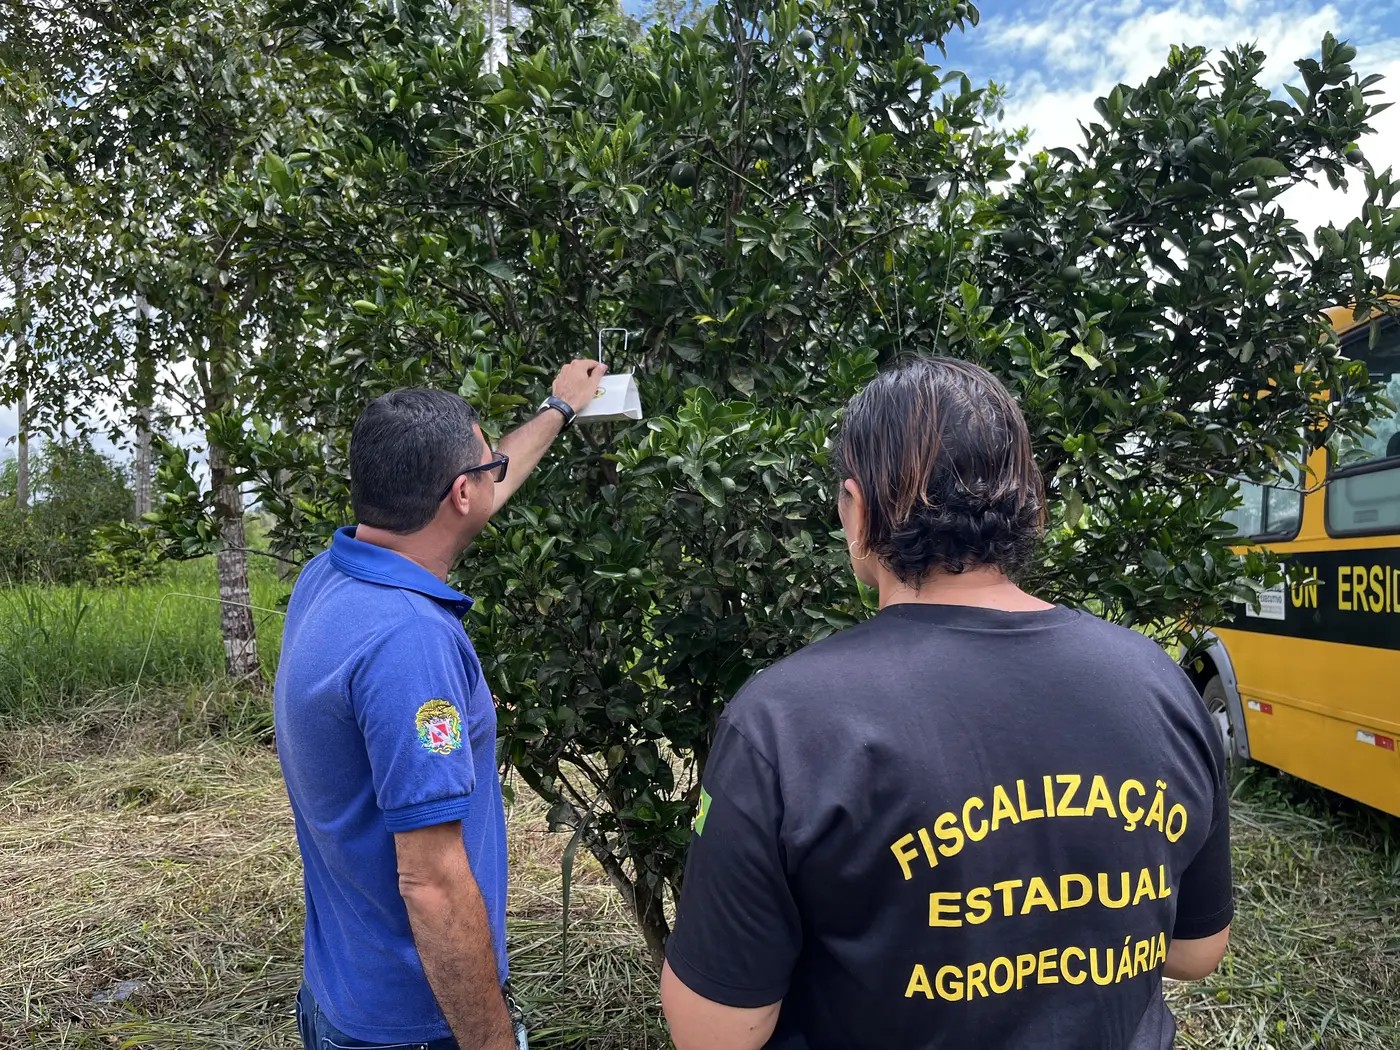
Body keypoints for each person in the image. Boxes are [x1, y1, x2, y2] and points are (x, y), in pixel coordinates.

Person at [661, 357, 1233, 1050]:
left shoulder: (785, 720)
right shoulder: (1159, 681)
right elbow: (1195, 952)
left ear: (857, 507)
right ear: (1027, 503)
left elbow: (715, 1034)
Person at [274, 360, 605, 1050]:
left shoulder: (330, 576)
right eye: (490, 465)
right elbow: (431, 882)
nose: (498, 471)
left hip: (343, 996)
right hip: (415, 1026)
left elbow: (488, 482)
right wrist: (491, 1041)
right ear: (460, 493)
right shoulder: (409, 643)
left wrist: (558, 409)